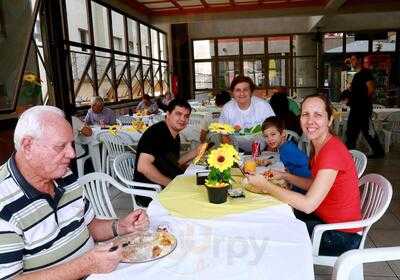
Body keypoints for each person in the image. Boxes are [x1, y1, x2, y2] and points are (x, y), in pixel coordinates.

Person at [0, 106, 149, 279]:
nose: (71, 154)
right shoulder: (4, 203)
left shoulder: (64, 175)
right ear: (27, 146)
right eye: (60, 146)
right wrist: (86, 265)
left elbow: (87, 225)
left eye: (71, 144)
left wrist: (121, 226)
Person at [247, 94, 362, 256]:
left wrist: (266, 185)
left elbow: (308, 204)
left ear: (329, 120)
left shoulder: (332, 151)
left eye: (318, 115)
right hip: (325, 220)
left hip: (341, 236)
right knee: (275, 217)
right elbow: (313, 185)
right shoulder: (321, 145)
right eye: (305, 114)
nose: (310, 121)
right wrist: (285, 176)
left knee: (271, 234)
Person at [134, 99, 200, 188]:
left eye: (186, 116)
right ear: (168, 114)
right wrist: (172, 184)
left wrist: (196, 151)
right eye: (178, 114)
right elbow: (143, 167)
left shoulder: (175, 134)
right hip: (151, 191)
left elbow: (173, 162)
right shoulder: (156, 133)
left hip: (167, 184)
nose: (183, 119)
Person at [345, 54, 385, 159]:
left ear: (359, 60)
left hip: (362, 108)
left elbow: (370, 88)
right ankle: (350, 152)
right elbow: (358, 91)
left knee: (362, 130)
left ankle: (350, 152)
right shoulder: (357, 75)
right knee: (354, 131)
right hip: (357, 107)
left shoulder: (365, 73)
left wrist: (361, 101)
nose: (351, 61)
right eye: (351, 60)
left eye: (353, 59)